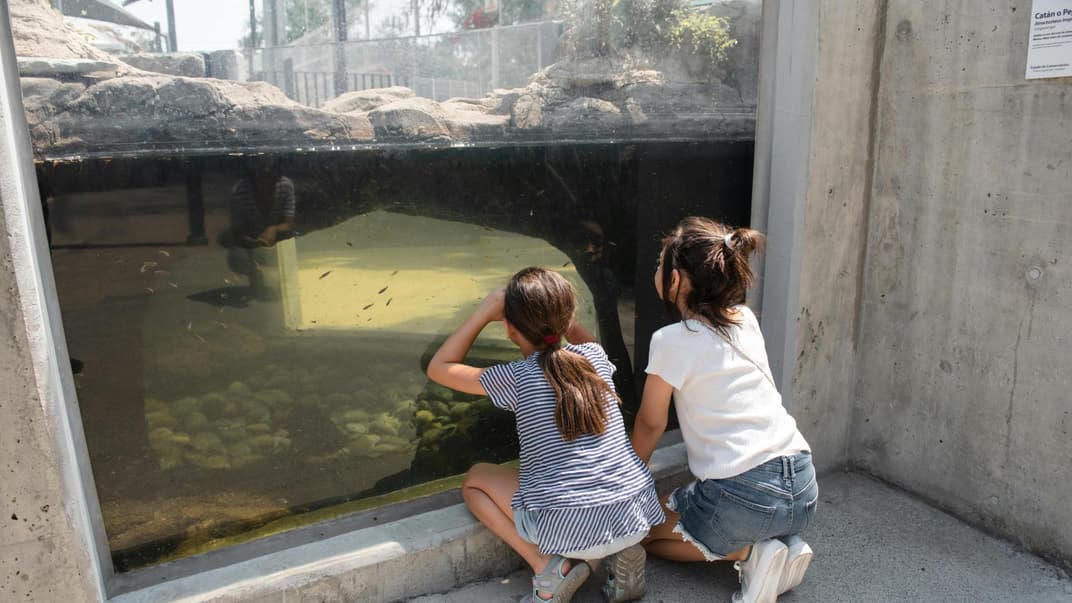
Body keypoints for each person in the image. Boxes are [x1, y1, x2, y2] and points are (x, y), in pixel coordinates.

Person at [427, 267, 664, 603]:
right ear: (567, 317)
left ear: (509, 329)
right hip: (635, 517)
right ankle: (622, 557)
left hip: (572, 530)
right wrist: (561, 316)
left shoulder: (516, 377)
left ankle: (550, 569)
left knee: (476, 480)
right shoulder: (594, 358)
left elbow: (439, 367)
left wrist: (484, 311)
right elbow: (587, 342)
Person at [631, 217, 817, 603]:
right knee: (710, 505)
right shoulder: (745, 319)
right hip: (803, 486)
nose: (656, 271)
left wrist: (627, 479)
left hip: (745, 497)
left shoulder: (670, 341)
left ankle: (749, 552)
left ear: (676, 279)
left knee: (644, 532)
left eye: (659, 264)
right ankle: (784, 543)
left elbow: (651, 423)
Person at [221, 156, 296, 297]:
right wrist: (253, 242)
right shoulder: (240, 190)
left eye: (270, 169)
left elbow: (289, 223)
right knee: (237, 258)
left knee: (293, 245)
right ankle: (254, 271)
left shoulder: (285, 186)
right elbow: (237, 228)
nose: (266, 172)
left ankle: (285, 278)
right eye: (261, 168)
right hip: (251, 237)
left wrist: (273, 229)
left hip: (277, 237)